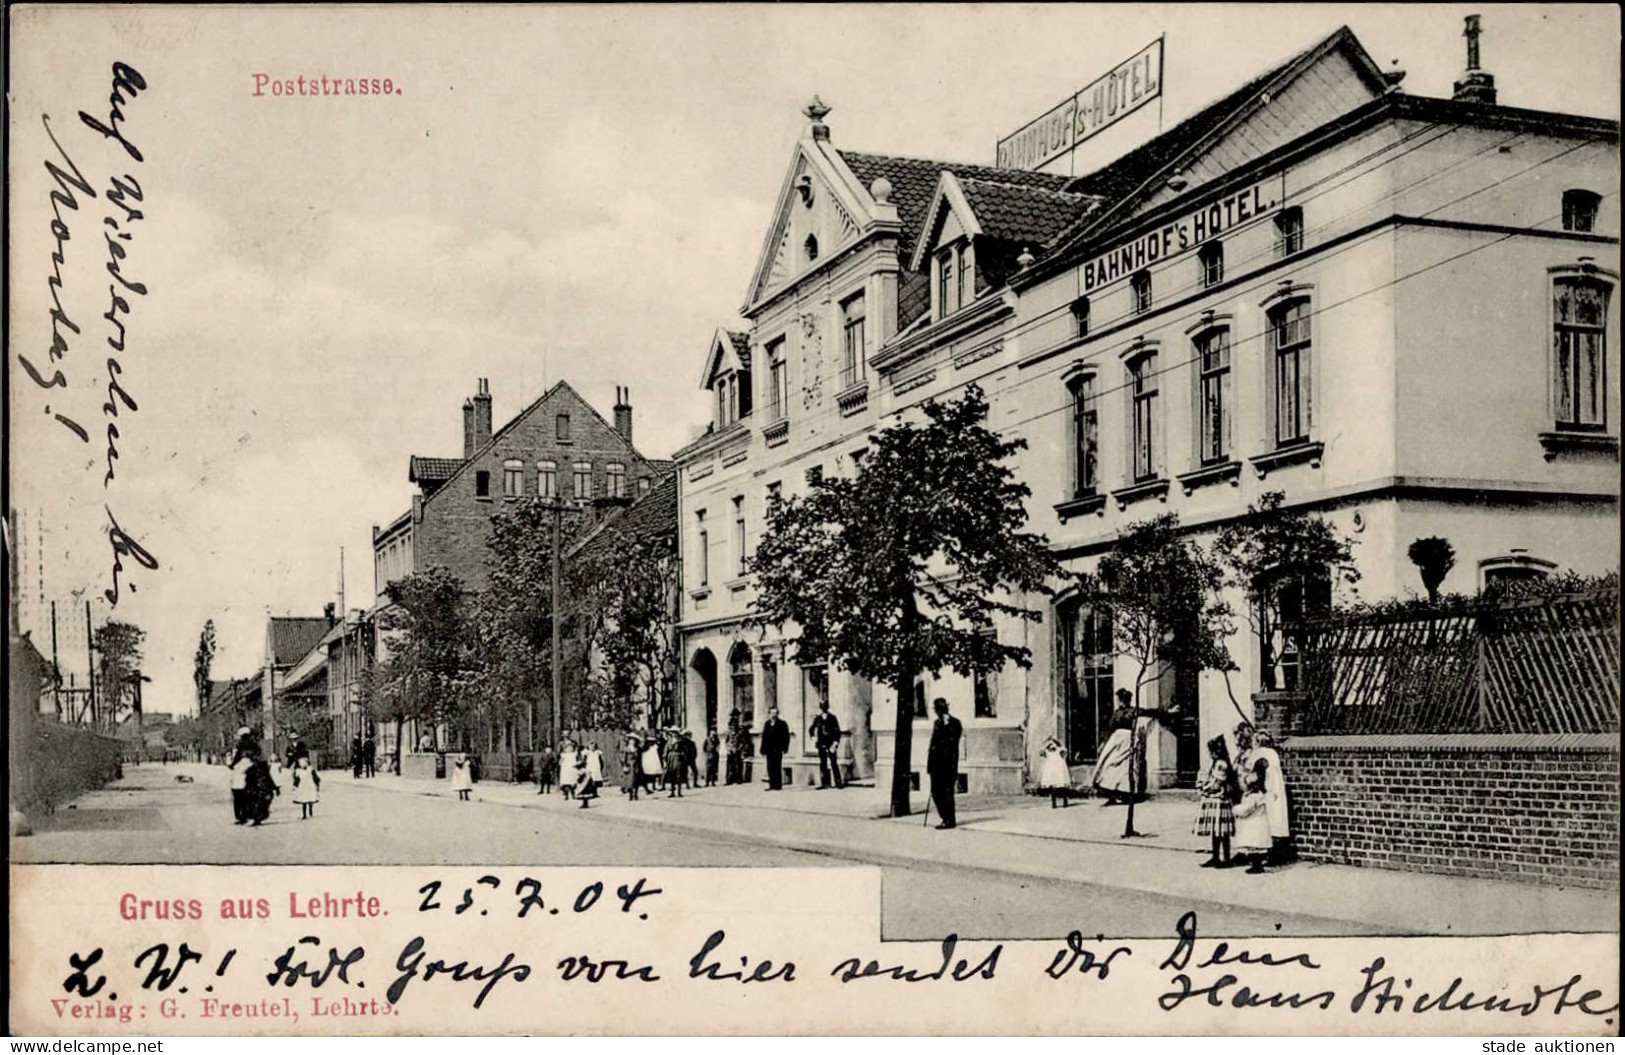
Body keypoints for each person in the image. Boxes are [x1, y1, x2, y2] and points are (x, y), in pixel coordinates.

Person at [1089, 689, 1174, 805]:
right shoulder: (1117, 713)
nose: (1120, 701)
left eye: (1120, 699)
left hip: (1128, 740)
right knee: (1109, 764)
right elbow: (1110, 728)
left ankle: (1125, 794)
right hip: (1115, 741)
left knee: (1125, 767)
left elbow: (1151, 712)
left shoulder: (1133, 711)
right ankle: (1111, 794)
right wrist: (1104, 743)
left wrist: (1168, 711)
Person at [1235, 723, 1292, 866]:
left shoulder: (1258, 754)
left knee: (1260, 825)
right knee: (1277, 821)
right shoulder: (1273, 754)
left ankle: (1256, 855)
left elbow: (1251, 774)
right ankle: (1277, 854)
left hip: (1263, 793)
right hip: (1275, 792)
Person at [1193, 735, 1239, 867]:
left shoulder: (1221, 764)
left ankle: (1226, 858)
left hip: (1220, 799)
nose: (1210, 754)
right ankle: (1216, 857)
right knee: (1216, 830)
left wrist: (1202, 788)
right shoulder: (1217, 763)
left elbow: (1216, 783)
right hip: (1215, 799)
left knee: (1221, 831)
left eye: (1212, 751)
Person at [1231, 756, 1273, 873]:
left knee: (1254, 843)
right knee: (1254, 844)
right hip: (1255, 822)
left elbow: (1247, 809)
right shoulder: (1258, 794)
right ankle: (1256, 864)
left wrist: (1236, 810)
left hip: (1254, 823)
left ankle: (1257, 865)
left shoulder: (1254, 796)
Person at [926, 697, 963, 829]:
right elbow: (933, 745)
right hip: (936, 766)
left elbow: (952, 743)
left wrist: (945, 725)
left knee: (948, 793)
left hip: (948, 765)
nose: (937, 712)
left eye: (938, 709)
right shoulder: (936, 723)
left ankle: (949, 820)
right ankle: (944, 817)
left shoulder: (955, 723)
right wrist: (929, 766)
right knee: (935, 792)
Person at [810, 701, 844, 790]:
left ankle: (838, 782)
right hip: (821, 744)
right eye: (822, 707)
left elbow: (837, 732)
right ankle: (824, 783)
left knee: (834, 763)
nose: (824, 708)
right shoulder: (818, 719)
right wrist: (814, 738)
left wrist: (835, 743)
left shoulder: (832, 718)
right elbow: (811, 729)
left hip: (831, 743)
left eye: (825, 707)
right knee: (823, 763)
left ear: (828, 707)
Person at [228, 727, 256, 824]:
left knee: (238, 794)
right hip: (252, 769)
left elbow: (237, 758)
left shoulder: (241, 746)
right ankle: (249, 815)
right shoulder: (254, 745)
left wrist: (231, 765)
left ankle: (240, 816)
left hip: (241, 770)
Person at [1037, 736, 1072, 808]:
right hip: (1051, 770)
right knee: (1052, 788)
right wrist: (1046, 743)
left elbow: (1064, 751)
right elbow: (1041, 751)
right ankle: (1054, 803)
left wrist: (1056, 743)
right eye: (1050, 745)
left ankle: (1065, 801)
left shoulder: (1059, 750)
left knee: (1062, 786)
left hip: (1059, 769)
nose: (1052, 747)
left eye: (1053, 745)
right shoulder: (1047, 752)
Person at [760, 708, 790, 790]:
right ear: (769, 714)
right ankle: (771, 784)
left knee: (777, 766)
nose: (774, 715)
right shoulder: (767, 724)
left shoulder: (782, 724)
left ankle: (777, 785)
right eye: (772, 713)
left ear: (778, 714)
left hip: (778, 749)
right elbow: (764, 737)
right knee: (769, 767)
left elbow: (786, 736)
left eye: (775, 713)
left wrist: (785, 747)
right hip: (769, 749)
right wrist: (762, 749)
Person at [664, 732, 686, 798]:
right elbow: (665, 750)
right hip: (670, 759)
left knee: (678, 775)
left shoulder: (680, 742)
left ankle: (679, 792)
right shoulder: (669, 742)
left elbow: (684, 751)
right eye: (673, 734)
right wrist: (665, 760)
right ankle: (672, 792)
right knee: (671, 775)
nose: (674, 735)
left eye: (676, 734)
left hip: (678, 759)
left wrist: (683, 758)